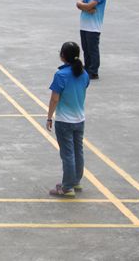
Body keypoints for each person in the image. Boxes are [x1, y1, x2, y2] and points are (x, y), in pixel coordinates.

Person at [46, 41, 89, 198]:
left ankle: (67, 187)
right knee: (78, 151)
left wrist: (49, 117)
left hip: (65, 121)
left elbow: (54, 99)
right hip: (79, 119)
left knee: (67, 154)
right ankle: (76, 180)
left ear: (63, 56)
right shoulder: (84, 74)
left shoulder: (61, 75)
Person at [76, 0, 106, 80]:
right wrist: (87, 8)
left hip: (93, 27)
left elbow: (86, 5)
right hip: (84, 26)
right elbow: (80, 4)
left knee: (92, 49)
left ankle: (93, 71)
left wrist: (84, 6)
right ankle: (87, 67)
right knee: (85, 48)